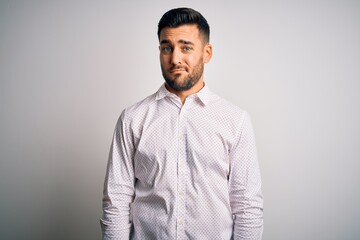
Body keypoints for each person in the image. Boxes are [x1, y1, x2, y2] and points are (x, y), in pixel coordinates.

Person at [101, 7, 263, 240]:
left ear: (207, 53)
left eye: (186, 47)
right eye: (167, 48)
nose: (175, 58)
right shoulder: (132, 119)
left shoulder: (235, 121)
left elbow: (247, 207)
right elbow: (116, 201)